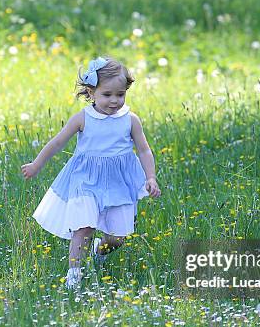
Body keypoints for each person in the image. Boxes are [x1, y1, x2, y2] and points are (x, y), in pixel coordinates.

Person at [21, 57, 161, 289]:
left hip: (118, 183)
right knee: (84, 226)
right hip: (85, 180)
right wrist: (36, 165)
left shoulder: (130, 120)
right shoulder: (83, 118)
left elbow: (144, 150)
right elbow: (57, 143)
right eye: (107, 95)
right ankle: (74, 275)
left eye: (120, 94)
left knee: (117, 237)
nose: (114, 101)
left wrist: (150, 177)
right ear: (91, 92)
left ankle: (99, 250)